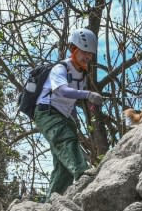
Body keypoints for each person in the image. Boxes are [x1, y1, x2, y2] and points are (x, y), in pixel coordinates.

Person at [34, 28, 103, 197]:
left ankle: (50, 204)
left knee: (63, 168)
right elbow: (62, 91)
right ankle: (84, 174)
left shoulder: (81, 74)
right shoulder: (61, 68)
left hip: (63, 116)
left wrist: (89, 104)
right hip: (47, 113)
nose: (87, 57)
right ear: (74, 49)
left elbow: (71, 101)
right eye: (84, 52)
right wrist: (88, 94)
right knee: (67, 141)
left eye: (90, 54)